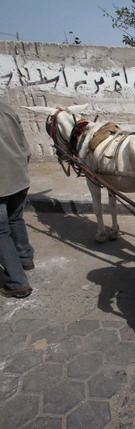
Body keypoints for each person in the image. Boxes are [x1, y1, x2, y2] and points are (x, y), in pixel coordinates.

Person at [0, 100, 35, 299]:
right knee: (15, 218)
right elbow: (25, 146)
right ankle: (25, 259)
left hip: (2, 182)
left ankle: (17, 282)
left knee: (1, 230)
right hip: (19, 175)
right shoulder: (5, 107)